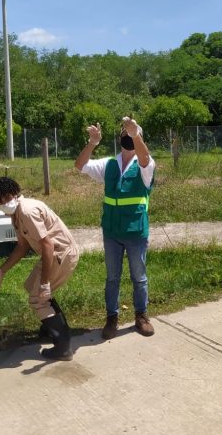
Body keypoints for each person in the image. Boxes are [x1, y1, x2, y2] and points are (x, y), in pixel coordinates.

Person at [75, 116, 156, 339]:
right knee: (112, 278)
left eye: (132, 133)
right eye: (125, 133)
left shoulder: (145, 165)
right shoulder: (109, 164)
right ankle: (112, 318)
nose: (128, 137)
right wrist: (92, 143)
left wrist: (135, 135)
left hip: (136, 232)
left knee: (139, 277)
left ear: (138, 137)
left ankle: (141, 316)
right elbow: (80, 165)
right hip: (111, 232)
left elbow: (145, 158)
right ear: (119, 138)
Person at [0, 177, 79, 361]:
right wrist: (1, 271)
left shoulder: (26, 211)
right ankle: (49, 328)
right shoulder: (16, 215)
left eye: (5, 198)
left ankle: (63, 346)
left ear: (14, 192)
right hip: (52, 254)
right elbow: (22, 246)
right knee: (31, 287)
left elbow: (48, 245)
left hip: (60, 254)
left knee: (38, 298)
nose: (3, 204)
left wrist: (44, 283)